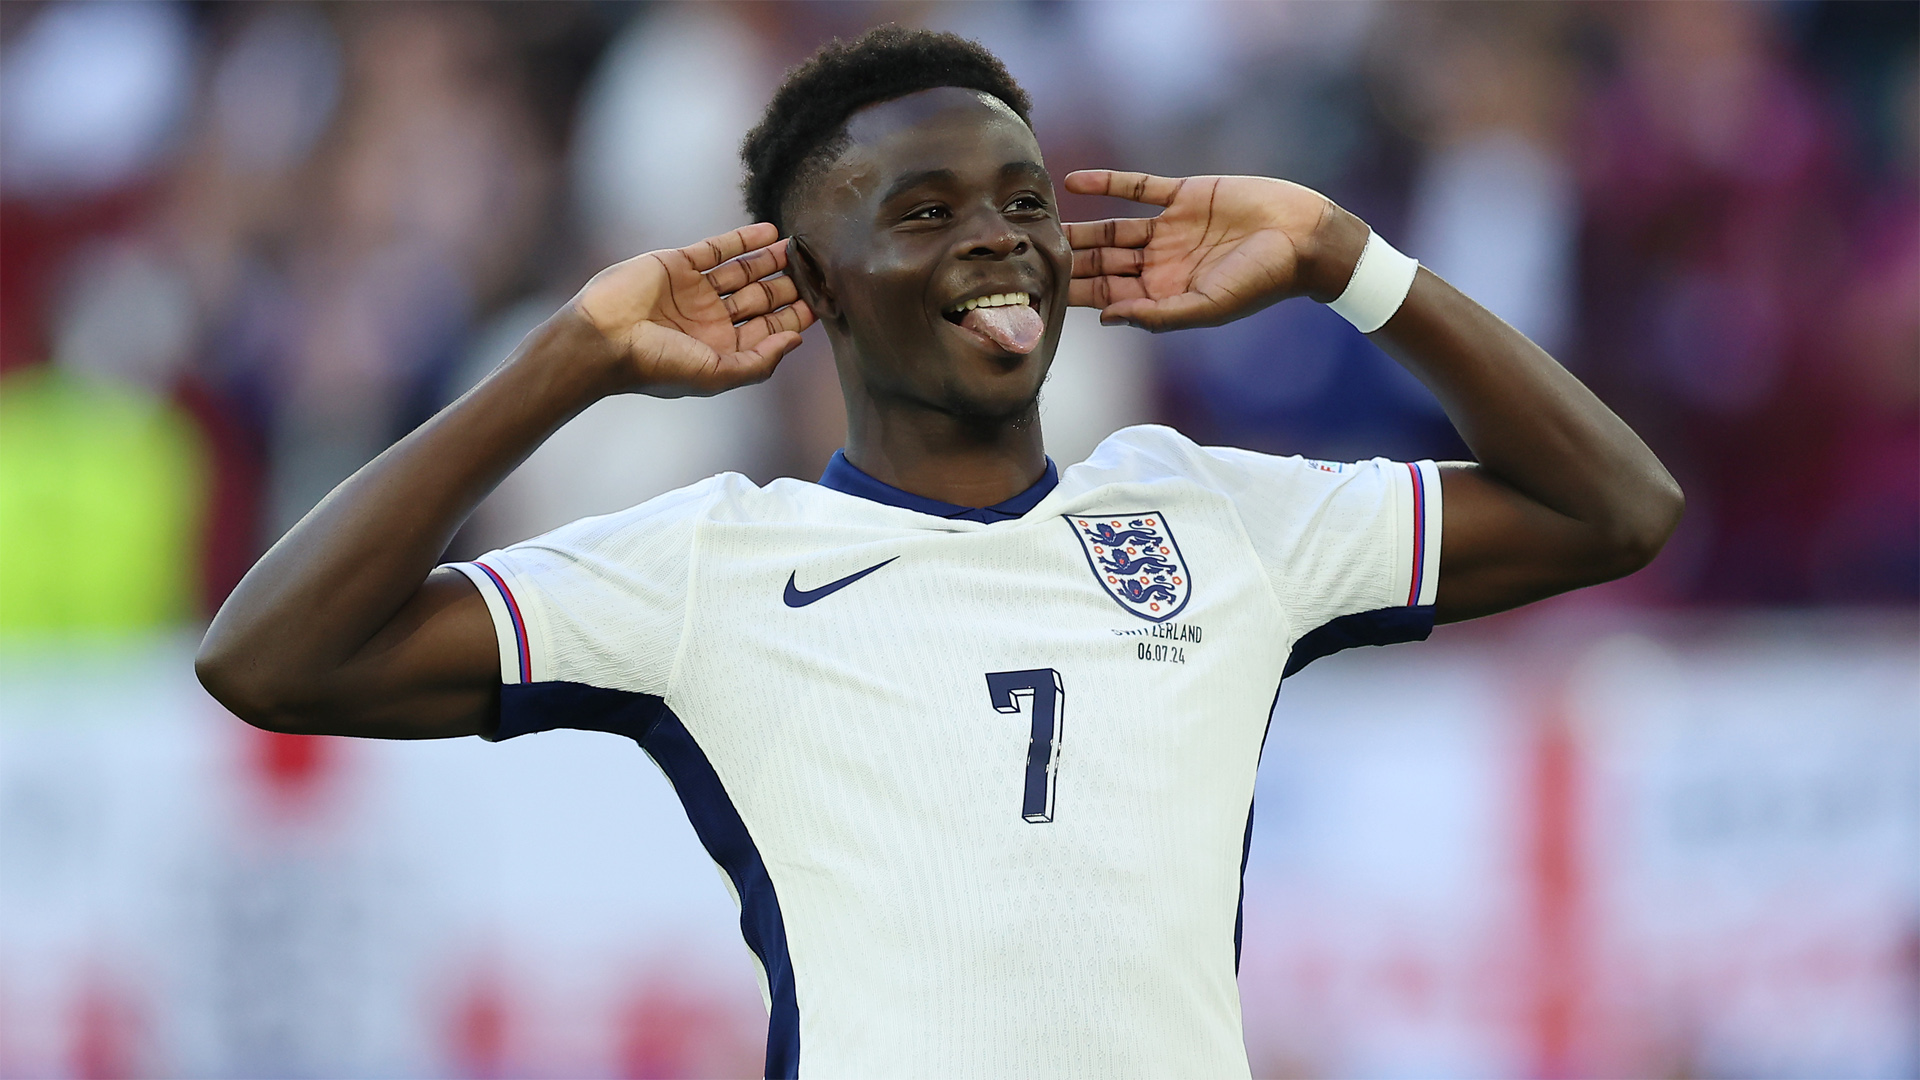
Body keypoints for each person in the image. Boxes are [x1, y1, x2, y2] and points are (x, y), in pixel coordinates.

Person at [196, 27, 1682, 1079]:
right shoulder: (708, 565)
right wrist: (568, 360)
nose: (999, 240)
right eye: (925, 211)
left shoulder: (1214, 517)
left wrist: (1350, 265)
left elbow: (1615, 507)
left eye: (1024, 204)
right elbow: (268, 655)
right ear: (813, 284)